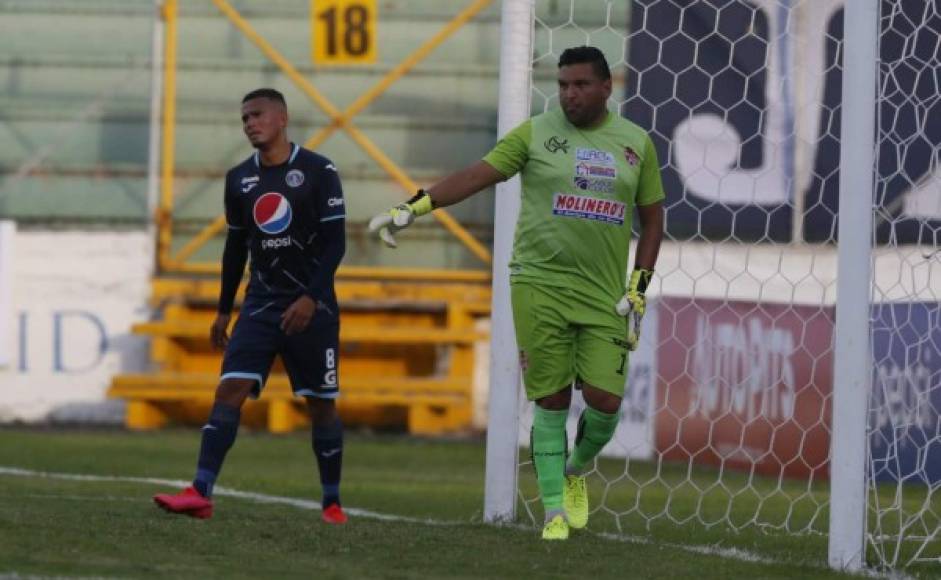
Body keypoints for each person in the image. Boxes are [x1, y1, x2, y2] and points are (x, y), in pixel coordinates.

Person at [368, 46, 664, 540]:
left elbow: (653, 216)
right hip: (538, 282)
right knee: (549, 399)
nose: (569, 94)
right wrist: (414, 208)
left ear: (607, 86)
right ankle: (553, 514)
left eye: (580, 85)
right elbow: (476, 176)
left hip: (604, 293)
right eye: (563, 84)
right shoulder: (535, 133)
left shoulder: (636, 143)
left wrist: (639, 286)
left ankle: (575, 469)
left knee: (605, 400)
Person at [154, 88, 348, 524]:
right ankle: (200, 491)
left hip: (312, 307)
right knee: (229, 389)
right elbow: (235, 247)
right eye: (244, 118)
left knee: (321, 405)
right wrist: (224, 309)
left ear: (281, 118)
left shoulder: (319, 170)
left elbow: (336, 243)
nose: (249, 124)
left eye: (257, 115)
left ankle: (332, 501)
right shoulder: (239, 178)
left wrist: (310, 297)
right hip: (260, 304)